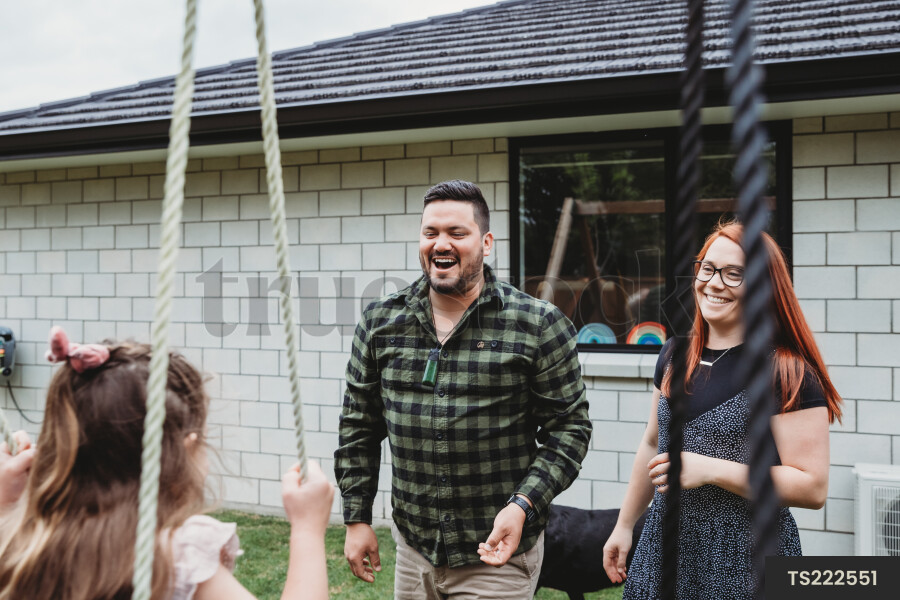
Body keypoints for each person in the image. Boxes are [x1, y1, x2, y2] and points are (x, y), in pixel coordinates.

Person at [335, 180, 592, 599]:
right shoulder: (381, 322)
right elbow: (359, 426)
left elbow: (570, 430)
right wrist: (356, 517)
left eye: (457, 233)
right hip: (415, 551)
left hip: (497, 553)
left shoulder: (537, 325)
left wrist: (523, 504)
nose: (441, 244)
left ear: (486, 242)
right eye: (431, 232)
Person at [0, 327, 334, 600]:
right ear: (187, 449)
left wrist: (4, 504)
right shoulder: (173, 558)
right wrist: (307, 530)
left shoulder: (24, 543)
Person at [602, 220, 842, 599]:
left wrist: (710, 469)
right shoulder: (674, 354)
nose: (714, 283)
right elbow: (652, 443)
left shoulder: (786, 371)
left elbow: (812, 487)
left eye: (734, 275)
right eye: (708, 268)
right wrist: (625, 524)